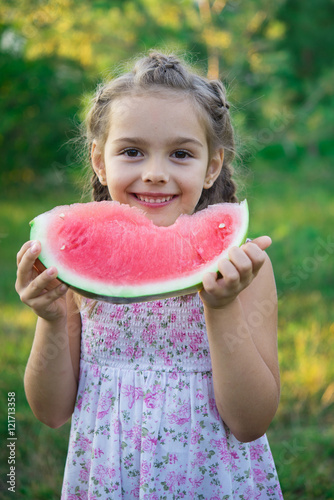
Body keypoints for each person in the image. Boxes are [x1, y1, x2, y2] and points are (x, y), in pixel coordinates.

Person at [16, 51, 283, 499]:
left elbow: (250, 421)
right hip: (109, 476)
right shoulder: (78, 273)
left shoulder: (245, 267)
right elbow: (50, 411)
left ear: (212, 165)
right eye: (132, 152)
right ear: (100, 162)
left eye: (181, 153)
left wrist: (221, 309)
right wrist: (51, 318)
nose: (155, 174)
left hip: (209, 480)